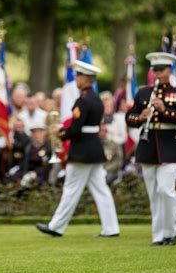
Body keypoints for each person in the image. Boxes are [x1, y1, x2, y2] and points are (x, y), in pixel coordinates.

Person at [36, 60, 120, 237]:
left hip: (82, 151)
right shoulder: (96, 99)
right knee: (101, 189)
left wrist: (61, 132)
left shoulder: (82, 101)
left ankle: (56, 226)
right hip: (94, 149)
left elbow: (75, 128)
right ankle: (111, 228)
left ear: (86, 79)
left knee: (71, 189)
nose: (76, 79)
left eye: (79, 76)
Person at [126, 52, 176, 246]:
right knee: (154, 195)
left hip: (169, 147)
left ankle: (171, 232)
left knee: (166, 190)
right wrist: (140, 117)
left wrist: (165, 110)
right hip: (148, 147)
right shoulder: (143, 93)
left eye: (160, 70)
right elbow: (129, 117)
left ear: (169, 70)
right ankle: (158, 235)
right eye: (154, 70)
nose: (156, 73)